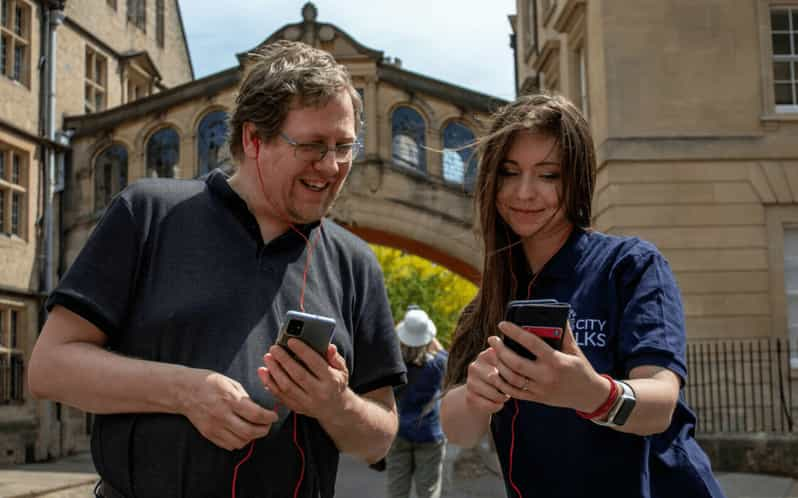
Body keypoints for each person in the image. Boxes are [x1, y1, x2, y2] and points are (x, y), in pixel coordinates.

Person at [27, 40, 406, 498]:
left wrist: (335, 404)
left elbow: (379, 437)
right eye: (312, 145)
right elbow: (49, 367)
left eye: (345, 146)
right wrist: (185, 391)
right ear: (253, 139)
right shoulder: (149, 213)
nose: (331, 166)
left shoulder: (355, 263)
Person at [439, 94, 726, 498]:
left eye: (548, 174)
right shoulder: (487, 305)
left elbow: (660, 404)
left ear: (576, 179)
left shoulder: (629, 266)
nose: (524, 192)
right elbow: (457, 429)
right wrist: (475, 395)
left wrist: (593, 393)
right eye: (509, 172)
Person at [385, 306, 448, 498]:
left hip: (399, 431)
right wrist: (429, 339)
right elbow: (443, 353)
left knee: (397, 489)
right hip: (429, 432)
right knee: (428, 491)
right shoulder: (438, 364)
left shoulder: (394, 365)